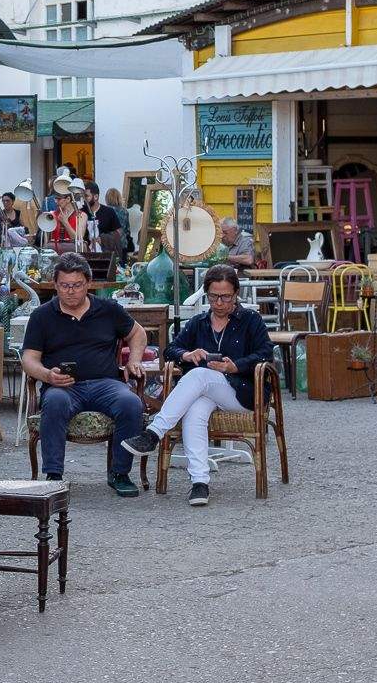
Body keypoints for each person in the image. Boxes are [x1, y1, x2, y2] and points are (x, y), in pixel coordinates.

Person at [121, 265, 270, 506]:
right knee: (195, 410)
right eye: (213, 297)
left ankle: (153, 433)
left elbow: (265, 354)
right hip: (208, 392)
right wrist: (188, 355)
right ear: (206, 294)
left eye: (226, 297)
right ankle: (199, 483)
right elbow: (171, 351)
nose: (219, 303)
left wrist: (236, 366)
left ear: (236, 294)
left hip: (243, 392)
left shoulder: (250, 320)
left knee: (199, 376)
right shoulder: (198, 322)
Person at [21, 252, 149, 495]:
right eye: (64, 286)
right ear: (55, 285)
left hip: (105, 383)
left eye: (77, 285)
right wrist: (48, 375)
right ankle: (54, 475)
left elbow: (137, 333)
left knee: (130, 403)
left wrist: (134, 360)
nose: (71, 291)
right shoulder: (42, 316)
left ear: (88, 283)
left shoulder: (108, 310)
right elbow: (29, 359)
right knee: (55, 402)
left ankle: (120, 473)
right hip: (63, 386)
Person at [85, 180, 129, 265]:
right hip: (121, 243)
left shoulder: (108, 211)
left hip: (108, 249)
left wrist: (103, 238)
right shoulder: (124, 211)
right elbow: (126, 229)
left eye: (86, 196)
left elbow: (118, 231)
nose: (84, 199)